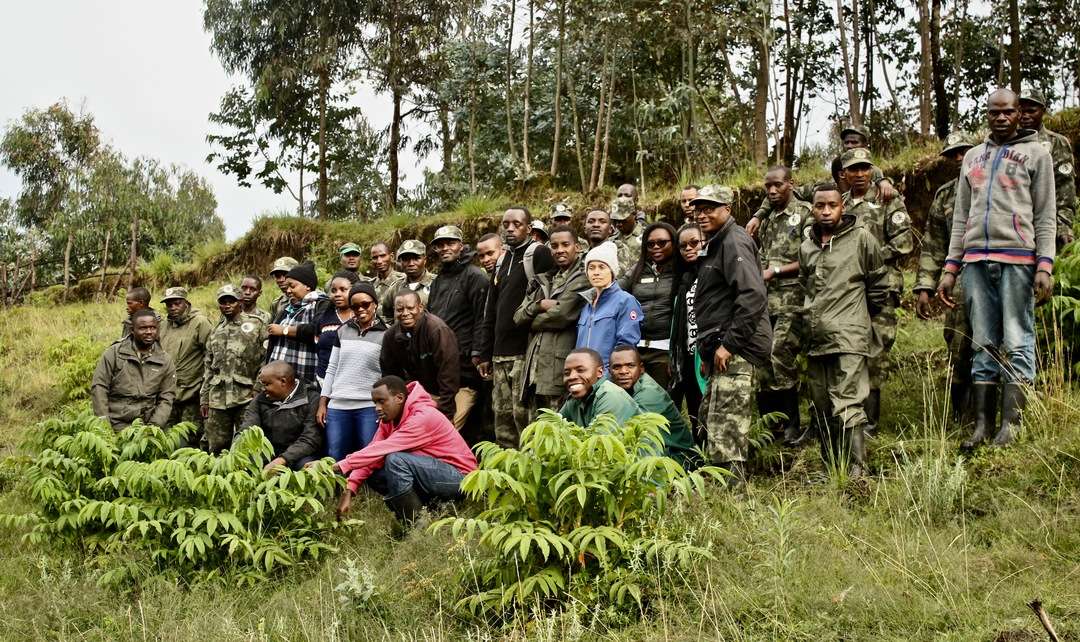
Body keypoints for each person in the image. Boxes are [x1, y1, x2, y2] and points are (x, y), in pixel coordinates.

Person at [938, 88, 1057, 449]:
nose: (1001, 118)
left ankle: (1012, 425)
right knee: (982, 343)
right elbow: (961, 216)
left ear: (1020, 113)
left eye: (1008, 112)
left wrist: (1045, 264)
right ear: (986, 114)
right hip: (975, 261)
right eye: (994, 113)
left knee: (1018, 339)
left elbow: (1045, 214)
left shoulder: (1037, 155)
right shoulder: (973, 157)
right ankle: (981, 425)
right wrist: (950, 267)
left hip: (1018, 259)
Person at [799, 183, 889, 477]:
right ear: (812, 209)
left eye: (832, 206)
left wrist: (858, 319)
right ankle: (831, 468)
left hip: (849, 336)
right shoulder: (807, 246)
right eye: (820, 206)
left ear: (843, 207)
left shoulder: (862, 239)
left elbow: (878, 285)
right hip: (816, 339)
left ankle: (857, 470)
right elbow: (805, 286)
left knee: (848, 400)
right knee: (821, 405)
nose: (826, 211)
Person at [692, 185, 773, 482]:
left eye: (710, 208)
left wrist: (729, 345)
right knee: (712, 422)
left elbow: (752, 296)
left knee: (727, 430)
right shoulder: (716, 242)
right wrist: (708, 352)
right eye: (698, 209)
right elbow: (716, 303)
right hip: (721, 347)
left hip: (738, 348)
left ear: (727, 208)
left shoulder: (734, 241)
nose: (702, 215)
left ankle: (732, 498)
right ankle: (720, 492)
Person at [334, 376, 479, 528]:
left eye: (381, 401)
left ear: (399, 398)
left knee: (395, 460)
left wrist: (336, 466)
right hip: (432, 474)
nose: (377, 408)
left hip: (461, 480)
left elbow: (382, 449)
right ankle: (427, 512)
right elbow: (372, 451)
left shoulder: (423, 417)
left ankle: (418, 526)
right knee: (374, 471)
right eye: (375, 403)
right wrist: (350, 490)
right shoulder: (389, 421)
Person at [841, 146, 913, 434]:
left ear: (872, 170)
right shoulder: (840, 204)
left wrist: (866, 260)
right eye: (853, 169)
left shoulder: (887, 199)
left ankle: (871, 422)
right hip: (847, 291)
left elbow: (904, 242)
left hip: (881, 287)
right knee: (850, 352)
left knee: (876, 352)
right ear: (844, 174)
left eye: (864, 168)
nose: (860, 174)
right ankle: (852, 418)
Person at [476, 207, 554, 448]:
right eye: (506, 224)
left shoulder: (538, 254)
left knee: (526, 420)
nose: (510, 228)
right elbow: (491, 310)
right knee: (502, 420)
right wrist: (484, 352)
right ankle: (506, 477)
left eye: (517, 224)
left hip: (525, 353)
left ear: (528, 228)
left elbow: (550, 298)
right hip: (499, 355)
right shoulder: (501, 261)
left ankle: (530, 475)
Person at [914, 132, 975, 423]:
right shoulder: (945, 195)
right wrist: (925, 286)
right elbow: (934, 244)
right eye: (953, 154)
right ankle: (959, 415)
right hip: (958, 278)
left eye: (964, 150)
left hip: (995, 273)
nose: (960, 157)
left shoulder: (997, 184)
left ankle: (995, 414)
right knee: (958, 343)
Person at [745, 125, 897, 237]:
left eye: (855, 143)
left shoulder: (875, 176)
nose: (849, 146)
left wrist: (883, 181)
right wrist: (758, 216)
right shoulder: (828, 182)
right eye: (847, 143)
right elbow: (783, 192)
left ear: (865, 146)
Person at [754, 166, 812, 445]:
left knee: (780, 355)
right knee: (763, 358)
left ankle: (792, 424)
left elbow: (812, 257)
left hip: (793, 298)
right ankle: (770, 426)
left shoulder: (805, 213)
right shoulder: (766, 220)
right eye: (768, 187)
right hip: (766, 301)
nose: (773, 191)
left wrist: (775, 272)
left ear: (791, 184)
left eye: (778, 185)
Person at [515, 225, 589, 414]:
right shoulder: (544, 278)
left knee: (559, 428)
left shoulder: (583, 277)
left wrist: (533, 323)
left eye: (565, 244)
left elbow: (562, 314)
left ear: (577, 247)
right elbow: (518, 316)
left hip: (560, 367)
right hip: (534, 369)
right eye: (554, 246)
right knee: (536, 432)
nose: (560, 250)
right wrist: (539, 305)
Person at [427, 225, 490, 430]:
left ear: (461, 246)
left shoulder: (475, 276)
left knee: (458, 425)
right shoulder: (438, 281)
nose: (445, 248)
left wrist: (479, 353)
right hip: (440, 363)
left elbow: (483, 317)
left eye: (450, 243)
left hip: (467, 366)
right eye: (440, 245)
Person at [318, 282, 388, 461]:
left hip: (368, 405)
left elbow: (388, 373)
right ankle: (337, 488)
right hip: (338, 404)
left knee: (368, 453)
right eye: (355, 306)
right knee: (334, 454)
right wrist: (323, 402)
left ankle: (361, 489)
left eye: (365, 304)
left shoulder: (386, 334)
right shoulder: (343, 330)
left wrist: (383, 406)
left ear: (375, 305)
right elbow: (332, 368)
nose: (360, 309)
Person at [200, 284, 268, 453]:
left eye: (231, 301)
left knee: (248, 445)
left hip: (246, 396)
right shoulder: (216, 331)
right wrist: (204, 397)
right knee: (216, 447)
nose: (227, 305)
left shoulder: (256, 325)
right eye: (223, 302)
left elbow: (266, 359)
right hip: (218, 397)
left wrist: (258, 388)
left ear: (240, 302)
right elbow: (209, 366)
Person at [609, 345, 697, 467]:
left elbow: (628, 434)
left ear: (641, 369)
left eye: (630, 366)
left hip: (679, 457)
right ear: (609, 372)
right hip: (656, 451)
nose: (624, 371)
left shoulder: (648, 393)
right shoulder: (614, 388)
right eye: (617, 367)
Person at [381, 290, 461, 421]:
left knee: (443, 430)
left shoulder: (436, 329)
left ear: (420, 307)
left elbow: (449, 373)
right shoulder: (390, 336)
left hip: (448, 392)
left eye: (410, 308)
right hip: (415, 394)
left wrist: (445, 412)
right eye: (399, 310)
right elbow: (390, 375)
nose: (405, 313)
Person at [91, 308, 176, 430]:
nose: (149, 332)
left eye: (153, 328)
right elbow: (99, 387)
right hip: (116, 422)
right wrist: (104, 424)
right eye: (143, 328)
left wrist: (154, 427)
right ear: (132, 330)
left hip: (147, 424)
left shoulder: (165, 360)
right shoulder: (114, 353)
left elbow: (166, 397)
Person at [237, 361, 323, 472]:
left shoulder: (311, 398)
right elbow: (247, 429)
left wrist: (282, 460)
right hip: (268, 453)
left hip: (298, 456)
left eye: (267, 384)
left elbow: (310, 439)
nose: (263, 389)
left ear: (283, 381)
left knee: (308, 468)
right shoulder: (260, 399)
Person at [620, 222, 677, 390]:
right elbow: (615, 290)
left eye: (662, 243)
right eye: (650, 244)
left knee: (659, 403)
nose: (656, 247)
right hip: (637, 348)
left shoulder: (681, 271)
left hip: (664, 350)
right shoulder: (637, 270)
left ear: (673, 242)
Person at [1019, 88, 1076, 248]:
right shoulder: (1009, 143)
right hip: (1014, 229)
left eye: (1031, 111)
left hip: (1046, 226)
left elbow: (1065, 188)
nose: (1025, 116)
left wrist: (1064, 226)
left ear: (1043, 111)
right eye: (1021, 111)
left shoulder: (1057, 143)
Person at [575, 241, 643, 371]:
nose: (596, 272)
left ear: (612, 271)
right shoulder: (587, 305)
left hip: (608, 378)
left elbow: (626, 347)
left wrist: (609, 374)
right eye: (591, 267)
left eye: (602, 267)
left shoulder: (626, 301)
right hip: (584, 378)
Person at [267, 261, 331, 384]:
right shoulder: (288, 308)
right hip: (279, 382)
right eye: (287, 287)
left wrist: (284, 330)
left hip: (306, 379)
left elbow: (316, 330)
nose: (289, 291)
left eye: (292, 286)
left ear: (307, 286)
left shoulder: (322, 304)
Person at [669, 223, 707, 431]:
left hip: (706, 352)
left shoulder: (711, 272)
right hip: (687, 354)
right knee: (694, 410)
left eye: (695, 243)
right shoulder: (682, 278)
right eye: (683, 246)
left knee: (707, 410)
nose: (689, 249)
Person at [159, 287, 213, 430]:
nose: (173, 308)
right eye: (169, 305)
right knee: (167, 436)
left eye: (177, 303)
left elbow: (211, 355)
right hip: (167, 394)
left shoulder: (200, 323)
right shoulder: (163, 326)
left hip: (192, 393)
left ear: (186, 303)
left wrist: (205, 390)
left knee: (188, 438)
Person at [558, 348, 640, 427]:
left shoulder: (610, 396)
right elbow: (552, 427)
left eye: (580, 370)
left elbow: (599, 439)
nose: (572, 377)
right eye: (567, 373)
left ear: (599, 372)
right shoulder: (575, 399)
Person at [316, 271, 359, 383]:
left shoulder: (363, 317)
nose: (337, 294)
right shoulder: (324, 317)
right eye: (334, 290)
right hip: (323, 380)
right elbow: (317, 347)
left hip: (353, 382)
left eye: (343, 289)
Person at [380, 240, 435, 321]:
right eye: (406, 259)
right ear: (401, 262)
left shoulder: (436, 283)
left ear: (425, 260)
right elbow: (387, 316)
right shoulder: (395, 287)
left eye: (416, 258)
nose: (411, 263)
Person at [370, 242, 406, 322]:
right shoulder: (369, 285)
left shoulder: (404, 281)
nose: (379, 261)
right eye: (375, 258)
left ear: (392, 257)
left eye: (383, 256)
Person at [609, 197, 641, 278]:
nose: (618, 224)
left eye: (623, 220)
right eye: (615, 220)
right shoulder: (611, 240)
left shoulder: (648, 236)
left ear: (634, 214)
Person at [268, 256, 300, 322]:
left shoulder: (313, 298)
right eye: (277, 276)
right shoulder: (277, 303)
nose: (281, 280)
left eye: (286, 274)